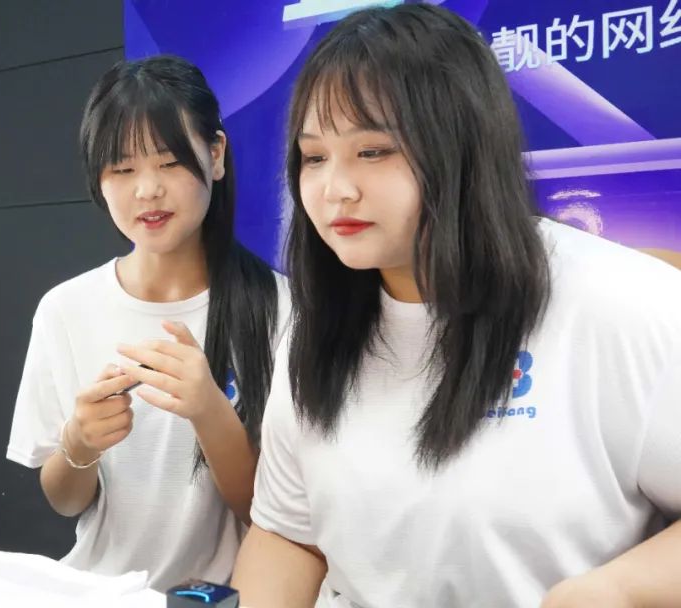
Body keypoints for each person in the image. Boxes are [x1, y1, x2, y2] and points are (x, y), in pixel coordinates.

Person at [232, 5, 681, 607]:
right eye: (314, 157)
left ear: (464, 147)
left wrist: (618, 590)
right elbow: (290, 535)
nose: (335, 189)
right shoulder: (315, 332)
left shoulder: (619, 305)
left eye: (374, 151)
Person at [7, 55, 290, 591]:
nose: (147, 190)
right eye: (122, 169)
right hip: (100, 593)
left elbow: (271, 515)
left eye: (169, 162)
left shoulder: (279, 307)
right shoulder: (65, 309)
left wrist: (209, 409)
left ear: (215, 154)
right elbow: (65, 501)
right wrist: (80, 443)